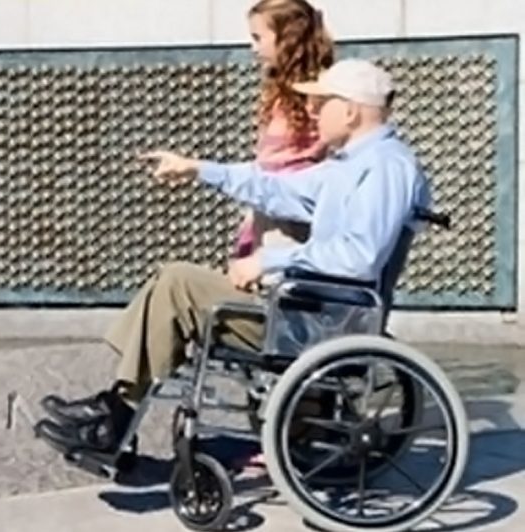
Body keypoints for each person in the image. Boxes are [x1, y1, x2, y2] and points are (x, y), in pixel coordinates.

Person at [36, 58, 432, 457]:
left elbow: (359, 257)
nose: (312, 111)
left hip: (320, 322)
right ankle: (115, 409)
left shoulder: (387, 167)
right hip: (307, 310)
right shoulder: (351, 164)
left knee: (177, 283)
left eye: (321, 102)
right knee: (172, 281)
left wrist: (268, 261)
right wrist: (199, 170)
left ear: (350, 110)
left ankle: (114, 417)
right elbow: (276, 190)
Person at [233, 0, 334, 276]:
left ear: (287, 38)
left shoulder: (320, 93)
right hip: (268, 207)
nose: (253, 48)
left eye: (258, 38)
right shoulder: (278, 92)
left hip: (294, 213)